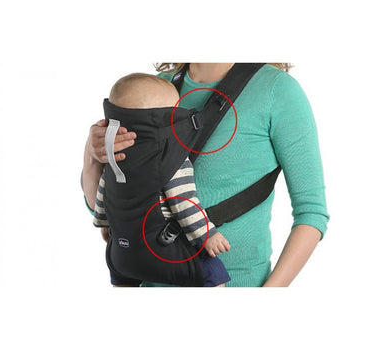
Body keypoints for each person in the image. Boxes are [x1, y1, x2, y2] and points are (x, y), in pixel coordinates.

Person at [82, 63, 330, 287]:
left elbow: (311, 213)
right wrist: (91, 155)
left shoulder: (276, 90)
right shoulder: (150, 89)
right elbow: (105, 203)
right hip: (150, 279)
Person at [92, 72, 231, 287]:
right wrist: (207, 235)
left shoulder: (115, 157)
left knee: (122, 278)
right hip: (164, 250)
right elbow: (184, 201)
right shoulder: (170, 158)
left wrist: (105, 223)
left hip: (121, 253)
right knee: (213, 273)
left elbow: (105, 194)